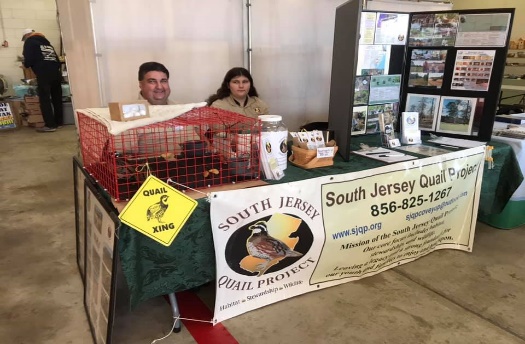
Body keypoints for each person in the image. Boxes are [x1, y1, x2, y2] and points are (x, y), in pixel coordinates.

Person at [22, 28, 63, 133]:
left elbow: (28, 61)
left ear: (26, 36)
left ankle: (50, 125)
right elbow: (58, 61)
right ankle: (59, 122)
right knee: (57, 97)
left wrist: (26, 62)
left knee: (45, 99)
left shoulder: (29, 42)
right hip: (56, 73)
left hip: (44, 74)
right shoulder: (47, 43)